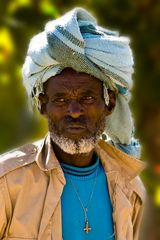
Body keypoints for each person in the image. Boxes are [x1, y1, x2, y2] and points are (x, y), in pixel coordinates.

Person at [0, 7, 146, 240]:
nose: (75, 112)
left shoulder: (129, 187)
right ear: (42, 104)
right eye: (61, 99)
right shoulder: (7, 182)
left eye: (87, 97)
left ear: (109, 104)